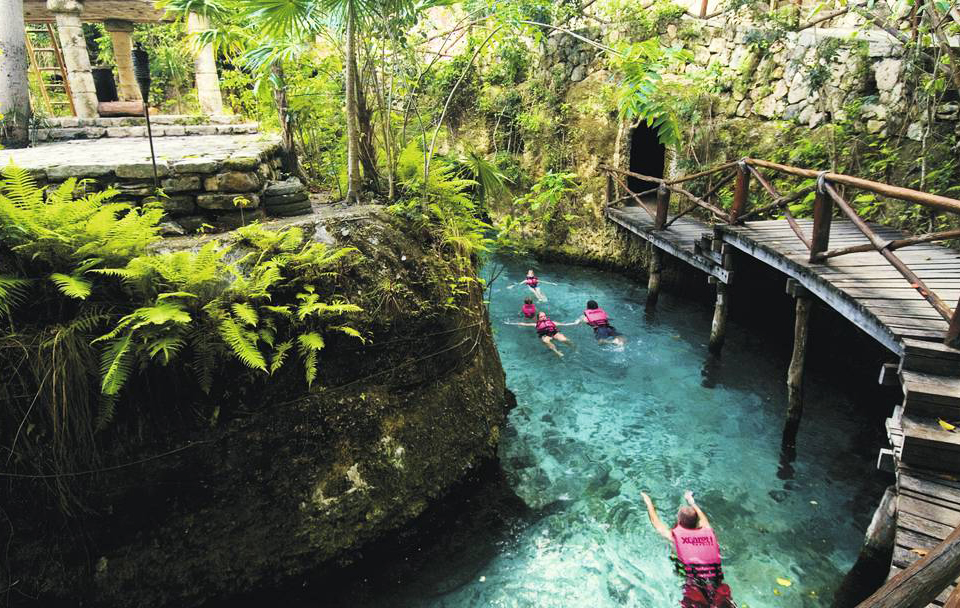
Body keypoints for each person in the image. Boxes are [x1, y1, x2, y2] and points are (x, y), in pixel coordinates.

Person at [641, 491, 735, 608]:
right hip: (716, 586)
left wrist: (649, 503)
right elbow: (703, 518)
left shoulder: (675, 537)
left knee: (675, 558)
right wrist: (691, 502)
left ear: (679, 522)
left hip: (696, 589)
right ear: (697, 523)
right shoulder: (707, 530)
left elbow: (656, 523)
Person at [505, 311, 574, 357]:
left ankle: (573, 348)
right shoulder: (536, 324)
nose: (543, 317)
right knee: (545, 341)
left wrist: (576, 323)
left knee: (564, 339)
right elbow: (524, 324)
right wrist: (510, 323)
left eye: (544, 316)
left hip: (554, 333)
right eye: (541, 317)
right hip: (545, 335)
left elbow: (565, 324)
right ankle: (557, 352)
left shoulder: (552, 322)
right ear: (538, 319)